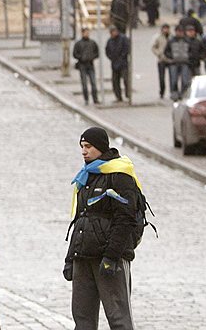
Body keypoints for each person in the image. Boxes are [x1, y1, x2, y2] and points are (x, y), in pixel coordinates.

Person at [64, 127, 142, 330]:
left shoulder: (119, 175)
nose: (83, 151)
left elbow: (126, 220)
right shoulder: (85, 176)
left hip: (110, 259)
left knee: (119, 320)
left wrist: (111, 256)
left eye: (88, 146)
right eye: (82, 146)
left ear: (100, 147)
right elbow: (80, 218)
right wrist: (70, 258)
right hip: (84, 256)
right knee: (83, 321)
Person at [73, 28, 100, 105]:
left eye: (88, 33)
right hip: (82, 65)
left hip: (90, 65)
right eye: (85, 33)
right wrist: (81, 57)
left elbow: (97, 52)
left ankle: (95, 99)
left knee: (93, 83)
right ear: (82, 33)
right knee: (84, 83)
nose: (87, 34)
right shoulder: (78, 44)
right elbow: (75, 54)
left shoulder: (92, 43)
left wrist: (92, 57)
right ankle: (86, 99)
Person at [164, 25, 191, 101]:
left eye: (181, 32)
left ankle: (183, 94)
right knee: (174, 79)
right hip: (174, 63)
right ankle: (174, 94)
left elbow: (191, 50)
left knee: (185, 80)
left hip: (185, 63)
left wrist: (188, 57)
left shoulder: (187, 41)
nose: (180, 33)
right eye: (178, 31)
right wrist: (172, 57)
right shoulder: (171, 41)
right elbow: (166, 51)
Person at [105, 26, 130, 103]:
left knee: (126, 79)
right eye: (112, 32)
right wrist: (111, 58)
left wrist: (122, 57)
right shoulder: (110, 41)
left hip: (123, 63)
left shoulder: (123, 38)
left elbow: (127, 48)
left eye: (114, 31)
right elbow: (107, 51)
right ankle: (118, 96)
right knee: (115, 81)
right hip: (114, 63)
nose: (113, 33)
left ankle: (128, 94)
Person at [150, 24, 171, 99]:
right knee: (161, 77)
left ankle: (172, 92)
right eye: (164, 29)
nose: (166, 30)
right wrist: (158, 53)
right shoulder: (158, 37)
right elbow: (153, 47)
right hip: (161, 59)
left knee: (172, 77)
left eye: (167, 29)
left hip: (170, 60)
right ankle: (162, 92)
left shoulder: (171, 37)